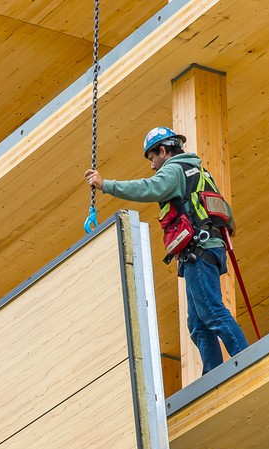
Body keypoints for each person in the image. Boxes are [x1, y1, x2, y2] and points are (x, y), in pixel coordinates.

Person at [85, 127, 249, 375]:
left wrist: (105, 185)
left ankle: (245, 358)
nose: (152, 166)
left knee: (211, 311)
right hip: (209, 248)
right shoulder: (200, 172)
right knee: (197, 323)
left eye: (152, 158)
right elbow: (225, 214)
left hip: (198, 251)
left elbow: (149, 188)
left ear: (163, 151)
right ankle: (213, 374)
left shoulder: (174, 170)